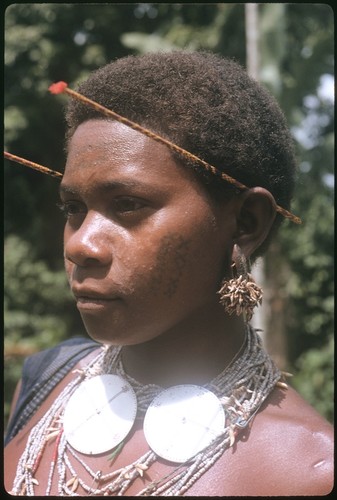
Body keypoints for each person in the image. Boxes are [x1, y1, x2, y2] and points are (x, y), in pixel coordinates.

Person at [4, 51, 333, 496]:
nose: (80, 244)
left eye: (128, 205)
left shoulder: (309, 472)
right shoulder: (46, 380)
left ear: (246, 223)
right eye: (74, 209)